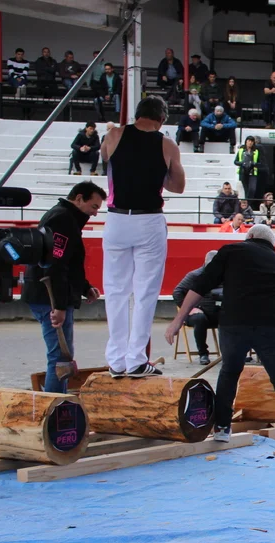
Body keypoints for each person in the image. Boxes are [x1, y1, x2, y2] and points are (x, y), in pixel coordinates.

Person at [165, 226, 275, 462]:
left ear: (249, 237)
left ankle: (221, 428)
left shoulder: (230, 251)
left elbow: (200, 285)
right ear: (272, 245)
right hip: (270, 327)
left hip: (233, 324)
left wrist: (178, 320)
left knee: (229, 373)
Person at [101, 97, 185, 379]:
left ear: (137, 115)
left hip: (116, 219)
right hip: (148, 219)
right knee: (145, 292)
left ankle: (116, 361)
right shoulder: (167, 144)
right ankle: (136, 360)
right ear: (161, 119)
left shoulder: (114, 135)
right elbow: (178, 186)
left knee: (115, 291)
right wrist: (157, 172)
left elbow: (106, 159)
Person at [22, 182, 105, 392]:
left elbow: (68, 263)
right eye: (94, 207)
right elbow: (55, 265)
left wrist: (84, 287)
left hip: (48, 294)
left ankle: (57, 401)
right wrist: (58, 305)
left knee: (61, 357)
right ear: (79, 199)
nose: (95, 213)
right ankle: (56, 404)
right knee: (60, 358)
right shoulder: (63, 220)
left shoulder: (63, 217)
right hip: (49, 297)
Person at [172, 251, 222, 365]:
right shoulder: (195, 275)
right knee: (199, 319)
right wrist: (190, 309)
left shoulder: (224, 275)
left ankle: (230, 353)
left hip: (218, 310)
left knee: (230, 317)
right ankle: (203, 353)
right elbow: (177, 292)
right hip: (197, 313)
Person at [234, 137, 261, 202]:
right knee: (246, 189)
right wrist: (242, 163)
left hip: (252, 172)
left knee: (252, 189)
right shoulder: (241, 150)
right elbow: (235, 161)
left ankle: (248, 202)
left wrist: (254, 163)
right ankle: (246, 203)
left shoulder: (256, 151)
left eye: (252, 141)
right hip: (243, 171)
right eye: (249, 141)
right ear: (246, 141)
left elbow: (260, 163)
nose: (250, 142)